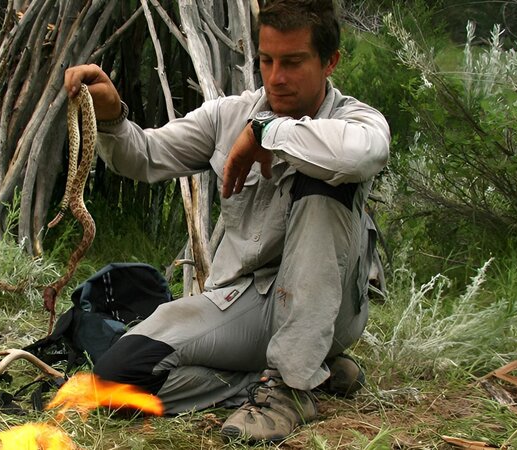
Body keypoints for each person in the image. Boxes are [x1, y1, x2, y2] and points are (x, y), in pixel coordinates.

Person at [63, 0, 389, 443]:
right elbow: (145, 156)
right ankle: (278, 381)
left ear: (330, 61)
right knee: (117, 378)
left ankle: (290, 390)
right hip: (245, 302)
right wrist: (112, 114)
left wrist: (266, 134)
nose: (276, 77)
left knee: (325, 184)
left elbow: (361, 154)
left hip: (328, 312)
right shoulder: (227, 114)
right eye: (267, 60)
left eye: (293, 63)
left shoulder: (356, 120)